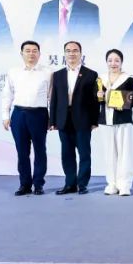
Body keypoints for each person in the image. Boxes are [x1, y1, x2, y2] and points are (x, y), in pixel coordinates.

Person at [48, 40, 99, 195]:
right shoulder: (57, 75)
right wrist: (52, 120)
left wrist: (94, 121)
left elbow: (94, 100)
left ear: (80, 53)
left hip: (83, 119)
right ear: (64, 54)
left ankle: (82, 184)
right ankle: (70, 184)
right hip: (63, 119)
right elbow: (54, 99)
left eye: (75, 50)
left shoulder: (91, 74)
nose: (72, 53)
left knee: (84, 154)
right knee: (67, 154)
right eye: (68, 51)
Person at [1, 40, 52, 196]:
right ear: (21, 53)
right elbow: (7, 94)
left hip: (39, 114)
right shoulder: (13, 72)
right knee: (22, 152)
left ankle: (38, 184)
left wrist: (52, 118)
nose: (31, 54)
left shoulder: (48, 72)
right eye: (28, 51)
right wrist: (5, 115)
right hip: (19, 114)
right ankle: (24, 185)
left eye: (35, 51)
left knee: (40, 150)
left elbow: (51, 97)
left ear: (39, 54)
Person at [97, 48, 133, 196]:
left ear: (121, 62)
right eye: (110, 60)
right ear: (106, 62)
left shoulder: (128, 79)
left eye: (116, 60)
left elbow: (132, 101)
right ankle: (112, 184)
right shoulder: (100, 79)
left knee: (124, 153)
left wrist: (123, 103)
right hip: (105, 120)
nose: (113, 63)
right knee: (109, 153)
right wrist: (99, 95)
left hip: (123, 119)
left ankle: (124, 184)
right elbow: (96, 101)